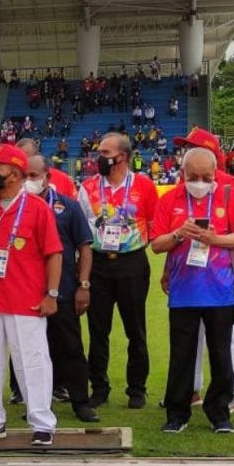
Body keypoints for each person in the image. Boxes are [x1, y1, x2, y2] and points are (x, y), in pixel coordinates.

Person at [0, 144, 63, 446]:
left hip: (26, 299)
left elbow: (54, 254)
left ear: (15, 175)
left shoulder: (37, 208)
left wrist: (52, 294)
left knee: (32, 361)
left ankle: (42, 422)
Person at [151, 147, 234, 434]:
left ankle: (219, 414)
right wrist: (179, 233)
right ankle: (177, 414)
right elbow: (156, 243)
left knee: (221, 356)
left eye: (207, 177)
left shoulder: (227, 196)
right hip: (183, 291)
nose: (201, 182)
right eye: (194, 176)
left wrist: (213, 238)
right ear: (182, 174)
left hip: (220, 290)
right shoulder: (170, 199)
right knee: (181, 355)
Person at [76, 132, 159, 409]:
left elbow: (153, 222)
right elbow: (80, 230)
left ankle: (137, 388)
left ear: (121, 156)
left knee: (135, 329)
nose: (98, 157)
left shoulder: (145, 186)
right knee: (98, 330)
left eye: (104, 153)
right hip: (98, 264)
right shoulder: (87, 187)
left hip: (132, 263)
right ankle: (98, 386)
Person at [23, 154, 98, 423]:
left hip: (64, 291)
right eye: (25, 176)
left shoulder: (68, 207)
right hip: (28, 293)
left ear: (48, 176)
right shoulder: (18, 208)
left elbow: (84, 247)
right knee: (33, 352)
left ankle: (81, 402)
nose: (29, 181)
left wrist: (84, 285)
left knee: (71, 348)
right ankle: (38, 405)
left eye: (33, 176)